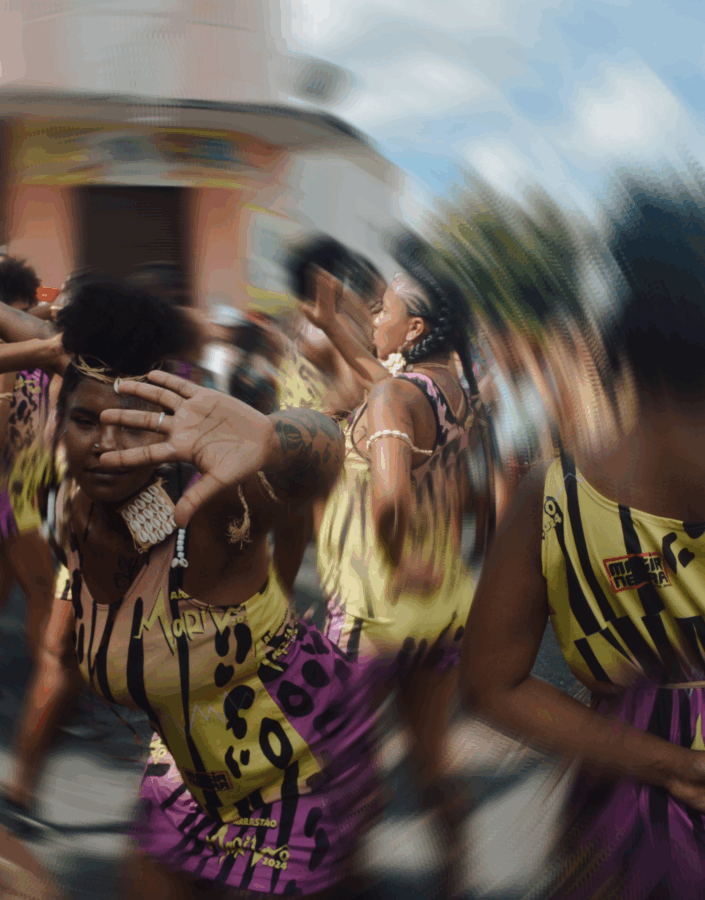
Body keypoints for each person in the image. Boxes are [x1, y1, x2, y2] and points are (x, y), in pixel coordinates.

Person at [6, 277, 376, 899]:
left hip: (301, 763)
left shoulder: (208, 516)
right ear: (58, 423)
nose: (106, 445)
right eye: (86, 420)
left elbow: (322, 455)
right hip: (186, 774)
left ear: (167, 427)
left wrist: (269, 438)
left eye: (135, 425)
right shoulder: (81, 513)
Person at [460, 175, 705, 898]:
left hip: (630, 818)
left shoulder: (555, 495)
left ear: (617, 349)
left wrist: (663, 763)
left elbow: (492, 685)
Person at [300, 236, 490, 802]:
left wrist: (399, 559)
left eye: (384, 308)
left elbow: (390, 500)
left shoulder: (393, 399)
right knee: (433, 763)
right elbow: (377, 380)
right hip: (441, 606)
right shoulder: (455, 393)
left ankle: (343, 880)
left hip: (378, 608)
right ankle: (455, 875)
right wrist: (332, 321)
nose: (375, 318)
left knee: (337, 773)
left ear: (414, 329)